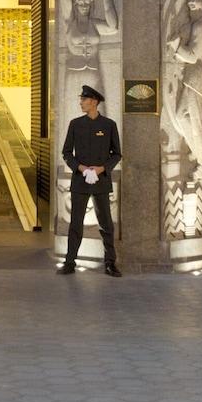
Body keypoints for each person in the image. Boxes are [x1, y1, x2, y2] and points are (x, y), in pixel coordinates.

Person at [59, 84, 121, 277]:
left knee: (106, 225)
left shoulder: (109, 125)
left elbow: (116, 154)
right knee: (75, 224)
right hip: (80, 181)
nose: (81, 102)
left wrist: (102, 168)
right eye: (81, 99)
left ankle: (110, 263)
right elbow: (67, 152)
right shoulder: (75, 124)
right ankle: (70, 262)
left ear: (94, 102)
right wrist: (81, 168)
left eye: (84, 100)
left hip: (101, 181)